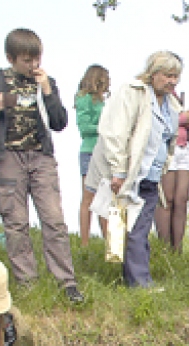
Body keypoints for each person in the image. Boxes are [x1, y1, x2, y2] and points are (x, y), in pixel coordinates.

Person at [0, 28, 85, 304]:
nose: (33, 65)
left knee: (54, 219)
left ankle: (66, 282)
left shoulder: (46, 82)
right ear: (11, 58)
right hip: (9, 157)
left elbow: (59, 122)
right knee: (16, 222)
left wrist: (47, 90)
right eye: (26, 60)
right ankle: (27, 282)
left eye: (37, 59)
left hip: (41, 156)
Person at [84, 51, 182, 288]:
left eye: (176, 77)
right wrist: (118, 170)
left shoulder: (171, 104)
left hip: (151, 175)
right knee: (119, 226)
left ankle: (135, 279)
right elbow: (115, 132)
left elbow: (168, 141)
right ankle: (134, 281)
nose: (172, 81)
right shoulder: (133, 92)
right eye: (168, 75)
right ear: (154, 73)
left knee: (139, 229)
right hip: (128, 173)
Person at [154, 83, 189, 253]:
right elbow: (168, 121)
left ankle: (178, 249)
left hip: (183, 150)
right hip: (165, 149)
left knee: (181, 199)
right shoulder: (154, 94)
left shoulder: (174, 96)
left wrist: (183, 118)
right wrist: (182, 118)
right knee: (166, 199)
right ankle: (164, 246)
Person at [75, 64, 110, 247]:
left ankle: (109, 241)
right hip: (90, 150)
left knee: (106, 198)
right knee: (89, 197)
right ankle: (84, 242)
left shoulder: (104, 101)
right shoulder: (83, 99)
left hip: (106, 153)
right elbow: (84, 127)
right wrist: (105, 128)